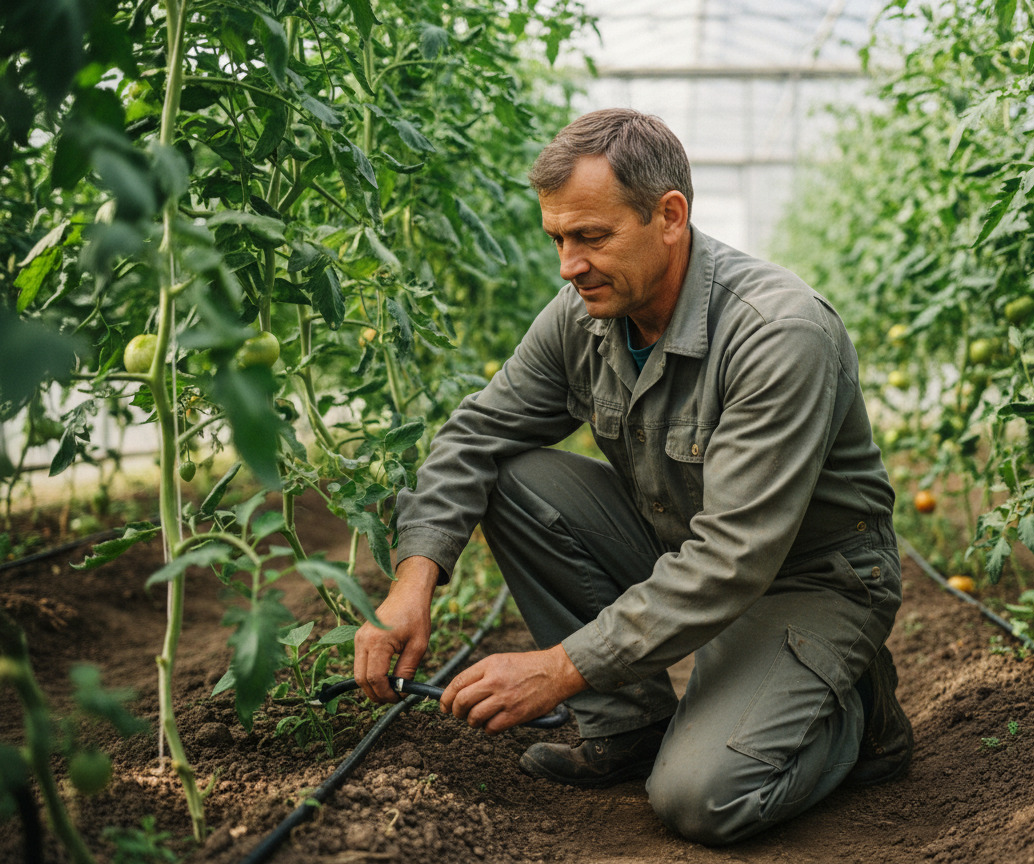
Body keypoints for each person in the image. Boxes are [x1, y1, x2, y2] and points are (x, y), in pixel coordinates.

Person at [353, 108, 912, 846]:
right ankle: (630, 727)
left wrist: (559, 668)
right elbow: (476, 434)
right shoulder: (582, 316)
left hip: (810, 579)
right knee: (512, 472)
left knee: (700, 799)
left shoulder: (778, 332)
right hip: (681, 546)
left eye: (591, 237)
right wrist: (412, 581)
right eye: (557, 238)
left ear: (670, 216)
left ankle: (861, 712)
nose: (567, 265)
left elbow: (735, 556)